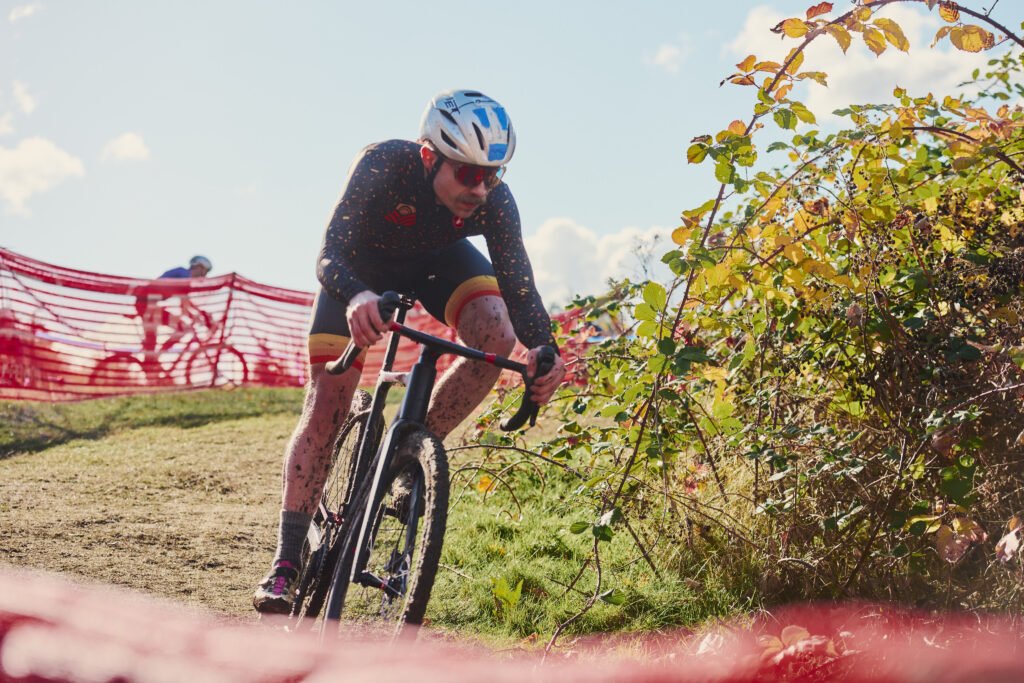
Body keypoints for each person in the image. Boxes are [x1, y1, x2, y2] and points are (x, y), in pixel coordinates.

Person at [252, 89, 567, 614]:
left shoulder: (494, 202)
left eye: (493, 176)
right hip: (360, 270)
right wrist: (356, 296)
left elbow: (519, 285)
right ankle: (286, 562)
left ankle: (405, 456)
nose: (480, 189)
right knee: (327, 402)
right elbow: (329, 252)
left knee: (499, 333)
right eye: (468, 174)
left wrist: (545, 350)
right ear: (428, 157)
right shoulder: (383, 165)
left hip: (439, 264)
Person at [134, 255, 214, 368]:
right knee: (180, 329)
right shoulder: (183, 275)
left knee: (157, 339)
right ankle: (152, 361)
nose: (204, 276)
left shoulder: (184, 276)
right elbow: (185, 304)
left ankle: (153, 360)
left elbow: (185, 303)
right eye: (205, 271)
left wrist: (200, 315)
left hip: (148, 304)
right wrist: (201, 317)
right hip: (146, 305)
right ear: (199, 267)